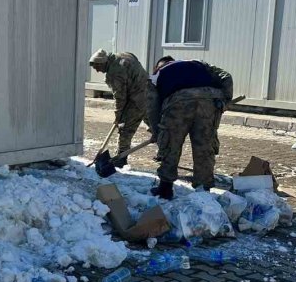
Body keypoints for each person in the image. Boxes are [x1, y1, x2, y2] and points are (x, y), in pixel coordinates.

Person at [147, 56, 233, 199]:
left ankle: (165, 189)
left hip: (178, 103)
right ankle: (203, 191)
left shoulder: (157, 74)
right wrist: (225, 100)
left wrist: (157, 131)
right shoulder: (198, 63)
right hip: (209, 101)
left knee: (171, 145)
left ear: (158, 66)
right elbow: (226, 77)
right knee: (204, 146)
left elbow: (152, 106)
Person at [89, 49, 149, 165]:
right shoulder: (125, 55)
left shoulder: (114, 72)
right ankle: (165, 153)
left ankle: (121, 158)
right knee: (156, 129)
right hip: (151, 95)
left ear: (103, 63)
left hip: (137, 100)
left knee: (125, 129)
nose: (97, 70)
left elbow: (120, 98)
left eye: (97, 67)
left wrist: (118, 117)